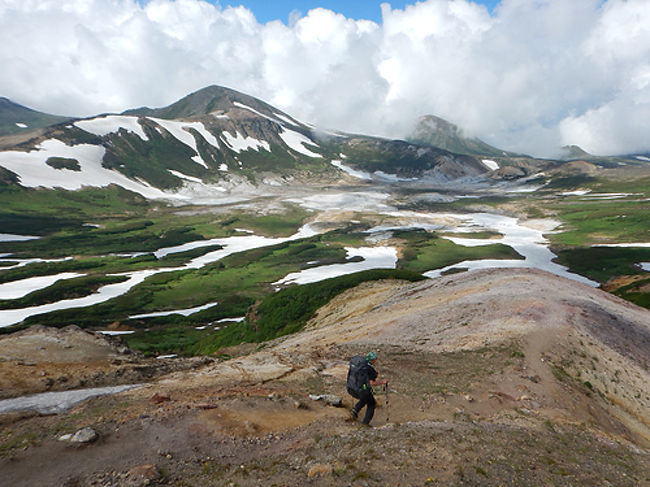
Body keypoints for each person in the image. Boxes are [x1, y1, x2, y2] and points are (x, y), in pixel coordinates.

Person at [348, 351, 388, 426]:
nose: (376, 360)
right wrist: (382, 382)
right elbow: (371, 383)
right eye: (375, 359)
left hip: (354, 388)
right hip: (363, 390)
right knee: (371, 404)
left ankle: (355, 410)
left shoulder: (361, 366)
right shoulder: (369, 369)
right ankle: (365, 423)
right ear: (372, 360)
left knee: (365, 398)